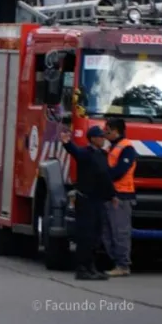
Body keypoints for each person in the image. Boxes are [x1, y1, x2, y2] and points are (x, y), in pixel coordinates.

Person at [61, 125, 117, 281]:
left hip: (99, 200)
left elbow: (105, 176)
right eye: (100, 137)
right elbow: (75, 152)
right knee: (85, 236)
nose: (102, 139)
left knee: (96, 237)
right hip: (86, 200)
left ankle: (92, 267)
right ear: (92, 139)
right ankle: (81, 269)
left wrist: (112, 195)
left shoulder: (102, 154)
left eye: (103, 136)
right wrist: (67, 143)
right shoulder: (86, 153)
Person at [103, 118, 136, 277]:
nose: (105, 133)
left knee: (120, 232)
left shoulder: (127, 147)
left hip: (121, 196)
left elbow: (119, 171)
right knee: (108, 233)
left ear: (115, 130)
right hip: (111, 194)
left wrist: (103, 177)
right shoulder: (112, 147)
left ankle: (123, 265)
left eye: (107, 130)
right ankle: (116, 263)